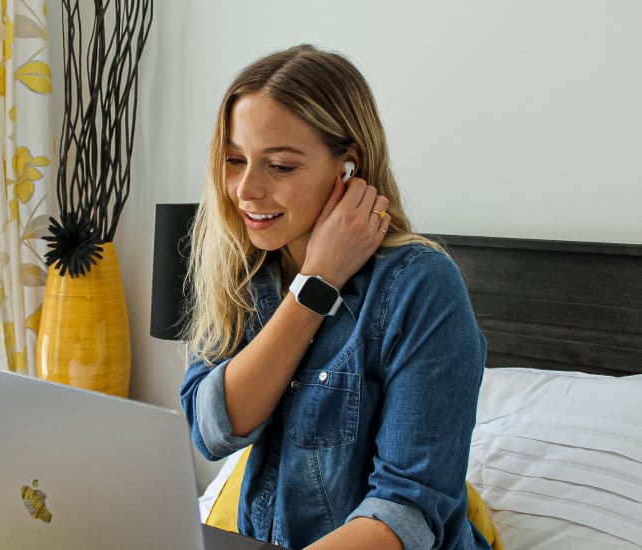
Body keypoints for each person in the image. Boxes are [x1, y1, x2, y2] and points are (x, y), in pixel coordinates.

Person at [179, 44, 492, 550]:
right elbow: (212, 431)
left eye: (279, 166)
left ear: (348, 169)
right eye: (235, 160)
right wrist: (315, 283)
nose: (245, 190)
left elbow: (406, 514)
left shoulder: (422, 284)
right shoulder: (243, 268)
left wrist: (321, 280)